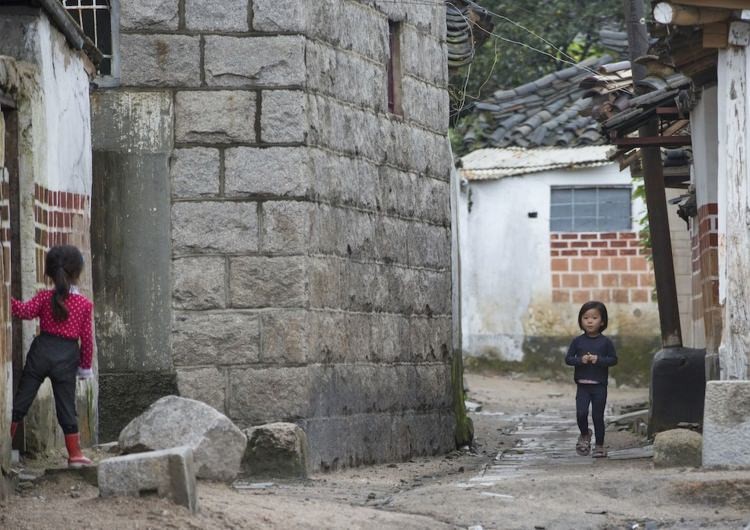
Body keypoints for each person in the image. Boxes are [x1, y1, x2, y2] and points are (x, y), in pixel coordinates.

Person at [9, 245, 94, 467]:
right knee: (66, 406)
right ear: (77, 272)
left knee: (21, 400)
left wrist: (6, 299)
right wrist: (85, 368)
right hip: (67, 358)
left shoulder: (44, 298)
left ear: (49, 272)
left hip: (41, 352)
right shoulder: (84, 305)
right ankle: (75, 455)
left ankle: (4, 445)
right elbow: (87, 339)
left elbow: (23, 311)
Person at [565, 300, 618, 458]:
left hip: (599, 386)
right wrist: (580, 360)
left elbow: (613, 360)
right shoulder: (578, 341)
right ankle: (585, 433)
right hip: (582, 386)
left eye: (594, 318)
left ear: (602, 321)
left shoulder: (606, 342)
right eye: (585, 317)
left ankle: (600, 446)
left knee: (597, 416)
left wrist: (598, 360)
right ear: (581, 320)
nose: (589, 321)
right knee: (581, 413)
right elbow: (568, 359)